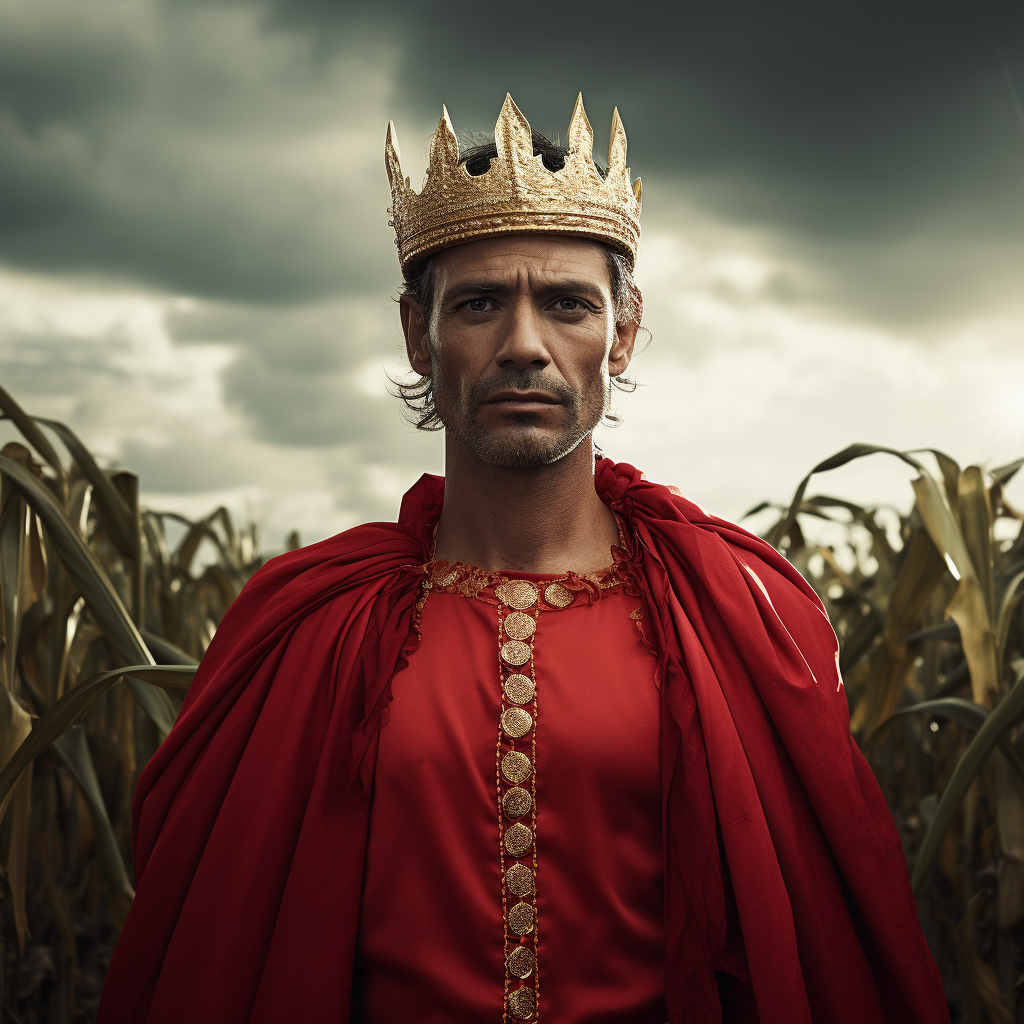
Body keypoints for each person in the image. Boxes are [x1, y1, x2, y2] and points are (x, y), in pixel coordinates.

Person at [98, 94, 948, 1024]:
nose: (524, 346)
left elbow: (820, 943)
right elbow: (214, 940)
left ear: (620, 333)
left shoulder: (732, 613)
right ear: (418, 334)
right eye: (479, 304)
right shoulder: (307, 622)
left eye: (568, 304)